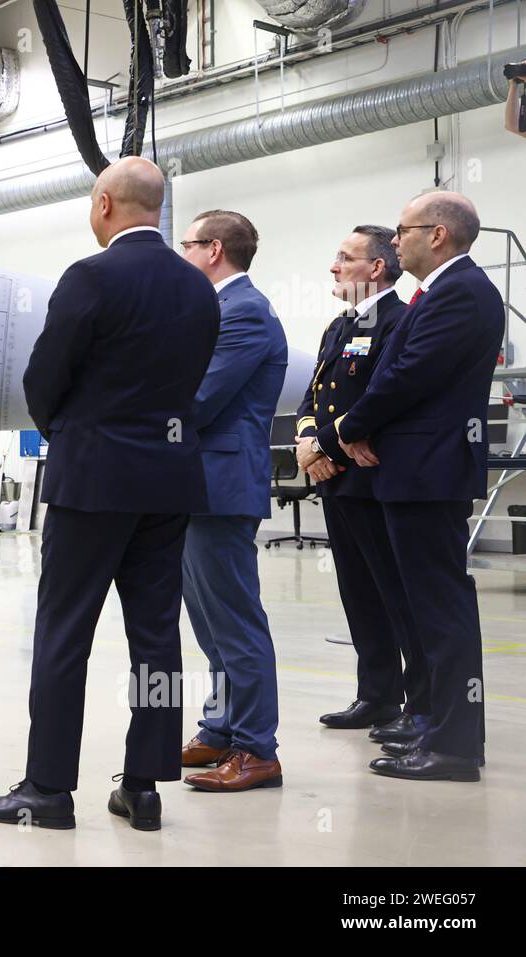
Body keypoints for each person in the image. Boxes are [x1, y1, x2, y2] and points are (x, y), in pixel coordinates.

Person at [0, 157, 220, 831]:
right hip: (169, 481)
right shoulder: (200, 290)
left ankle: (49, 789)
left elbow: (44, 376)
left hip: (94, 480)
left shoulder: (90, 276)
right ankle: (143, 786)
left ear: (104, 204)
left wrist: (72, 432)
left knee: (64, 632)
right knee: (156, 635)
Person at [317, 192, 502, 782]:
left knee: (440, 611)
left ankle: (451, 746)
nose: (396, 242)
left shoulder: (460, 293)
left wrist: (342, 432)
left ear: (439, 234)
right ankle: (435, 727)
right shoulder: (435, 294)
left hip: (428, 472)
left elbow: (404, 378)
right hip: (414, 471)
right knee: (427, 611)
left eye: (403, 230)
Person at [296, 227, 430, 741]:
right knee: (358, 591)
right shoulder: (338, 326)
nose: (333, 267)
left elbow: (382, 395)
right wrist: (310, 443)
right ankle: (376, 694)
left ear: (376, 268)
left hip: (374, 477)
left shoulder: (400, 320)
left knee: (398, 594)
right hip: (335, 476)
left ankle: (421, 705)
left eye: (344, 258)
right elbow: (315, 394)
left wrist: (326, 445)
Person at [175, 210, 288, 793]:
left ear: (214, 249)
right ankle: (221, 729)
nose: (181, 253)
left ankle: (256, 749)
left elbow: (199, 399)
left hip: (221, 487)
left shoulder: (243, 311)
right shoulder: (219, 308)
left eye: (187, 244)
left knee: (237, 623)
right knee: (211, 624)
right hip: (198, 486)